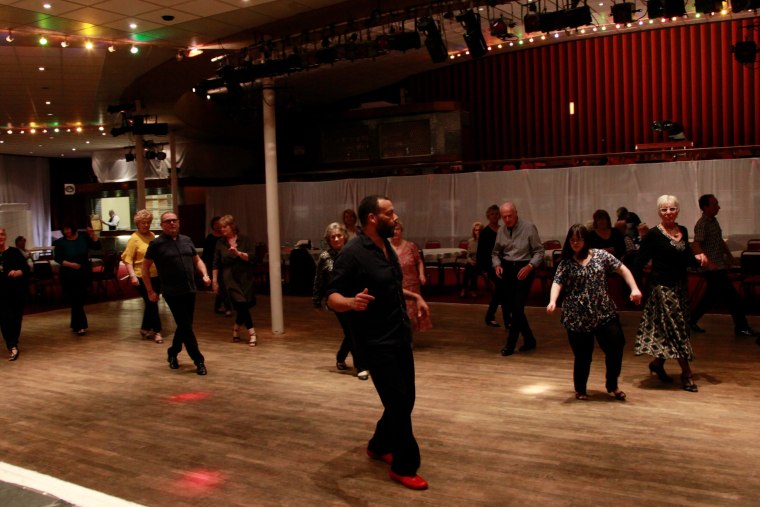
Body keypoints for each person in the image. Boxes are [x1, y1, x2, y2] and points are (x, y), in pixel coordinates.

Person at [326, 195, 430, 491]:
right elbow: (331, 296)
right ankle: (404, 465)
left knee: (405, 399)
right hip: (374, 341)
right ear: (372, 218)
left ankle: (378, 444)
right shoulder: (352, 252)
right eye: (390, 213)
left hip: (399, 334)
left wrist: (415, 296)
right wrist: (350, 302)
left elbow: (391, 286)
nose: (395, 217)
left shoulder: (385, 247)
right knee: (398, 403)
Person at [547, 224, 642, 400]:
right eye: (572, 240)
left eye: (579, 240)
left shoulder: (600, 255)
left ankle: (612, 384)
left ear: (586, 240)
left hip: (603, 312)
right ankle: (581, 389)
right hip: (577, 316)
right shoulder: (566, 262)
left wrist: (634, 288)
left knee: (616, 345)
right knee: (583, 355)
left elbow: (622, 269)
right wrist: (553, 301)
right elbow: (557, 282)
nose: (575, 243)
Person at [634, 195, 707, 392]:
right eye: (664, 209)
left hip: (680, 287)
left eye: (672, 209)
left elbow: (686, 259)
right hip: (661, 288)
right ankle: (687, 373)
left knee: (672, 329)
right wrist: (635, 287)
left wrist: (698, 258)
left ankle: (657, 364)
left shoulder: (682, 230)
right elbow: (638, 262)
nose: (668, 213)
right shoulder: (653, 235)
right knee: (677, 329)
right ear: (659, 212)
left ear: (677, 210)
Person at [143, 212, 211, 375]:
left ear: (179, 223)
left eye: (175, 220)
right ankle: (199, 361)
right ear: (162, 225)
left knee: (184, 325)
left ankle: (172, 353)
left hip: (190, 289)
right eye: (168, 221)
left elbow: (197, 260)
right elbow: (145, 268)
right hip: (172, 292)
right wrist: (150, 291)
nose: (172, 223)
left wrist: (205, 274)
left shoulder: (186, 240)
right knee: (186, 326)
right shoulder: (156, 244)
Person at [690, 194, 757, 337]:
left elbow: (719, 241)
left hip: (718, 266)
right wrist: (709, 263)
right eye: (714, 204)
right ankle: (741, 327)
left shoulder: (713, 221)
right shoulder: (702, 224)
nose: (718, 207)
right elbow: (696, 245)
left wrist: (730, 257)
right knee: (733, 298)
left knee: (710, 297)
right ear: (705, 207)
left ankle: (690, 321)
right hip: (712, 269)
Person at [312, 222, 368, 380]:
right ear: (328, 240)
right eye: (332, 237)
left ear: (345, 236)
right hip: (336, 299)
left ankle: (341, 357)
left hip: (354, 296)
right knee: (353, 331)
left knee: (353, 331)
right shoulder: (325, 256)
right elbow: (318, 280)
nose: (336, 239)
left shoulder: (353, 253)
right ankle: (361, 366)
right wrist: (316, 301)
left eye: (339, 235)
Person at [493, 202, 545, 356]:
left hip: (524, 268)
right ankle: (529, 339)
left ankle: (510, 344)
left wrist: (530, 267)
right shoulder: (501, 230)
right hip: (508, 269)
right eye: (504, 217)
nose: (507, 219)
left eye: (510, 216)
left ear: (516, 213)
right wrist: (497, 265)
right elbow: (495, 253)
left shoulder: (529, 227)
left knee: (517, 308)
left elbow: (539, 251)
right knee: (511, 308)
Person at [212, 214, 259, 346]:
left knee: (244, 305)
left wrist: (238, 253)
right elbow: (216, 263)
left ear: (232, 226)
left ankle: (236, 329)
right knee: (241, 302)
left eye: (224, 227)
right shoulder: (220, 242)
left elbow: (252, 257)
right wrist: (214, 281)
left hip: (245, 276)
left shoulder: (245, 240)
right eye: (220, 228)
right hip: (229, 277)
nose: (222, 230)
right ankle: (252, 333)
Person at [121, 209, 163, 344]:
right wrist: (132, 276)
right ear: (138, 224)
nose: (145, 225)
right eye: (143, 223)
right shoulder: (134, 238)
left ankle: (145, 328)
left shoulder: (152, 236)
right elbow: (127, 259)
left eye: (148, 223)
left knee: (151, 302)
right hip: (141, 276)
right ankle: (157, 331)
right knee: (152, 301)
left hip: (156, 275)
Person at [53, 222, 101, 336]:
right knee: (76, 299)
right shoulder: (60, 242)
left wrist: (93, 234)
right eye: (64, 230)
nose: (67, 232)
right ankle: (81, 326)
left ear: (73, 228)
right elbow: (57, 258)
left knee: (79, 299)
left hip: (83, 272)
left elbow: (97, 246)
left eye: (68, 229)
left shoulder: (83, 237)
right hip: (68, 274)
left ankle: (76, 325)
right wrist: (71, 264)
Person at [391, 221, 432, 332]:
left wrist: (421, 274)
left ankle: (408, 339)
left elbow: (419, 261)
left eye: (397, 229)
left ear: (402, 231)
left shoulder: (410, 246)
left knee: (411, 314)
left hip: (411, 284)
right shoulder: (386, 247)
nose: (395, 232)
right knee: (397, 313)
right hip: (395, 284)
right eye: (393, 229)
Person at [0, 228, 30, 361]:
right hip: (1, 293)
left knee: (16, 318)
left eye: (1, 234)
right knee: (4, 319)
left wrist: (18, 272)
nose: (0, 237)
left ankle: (13, 342)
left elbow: (25, 269)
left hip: (15, 291)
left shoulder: (13, 252)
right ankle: (12, 345)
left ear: (5, 236)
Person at [476, 204, 506, 328]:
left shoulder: (503, 230)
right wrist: (483, 269)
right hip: (490, 265)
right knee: (500, 290)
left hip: (503, 264)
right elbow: (481, 251)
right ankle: (494, 316)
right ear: (488, 216)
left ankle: (494, 317)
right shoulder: (485, 232)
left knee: (502, 291)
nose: (494, 216)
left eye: (496, 214)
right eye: (492, 214)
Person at [202, 216, 231, 316]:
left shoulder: (225, 238)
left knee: (224, 286)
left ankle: (218, 306)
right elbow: (206, 254)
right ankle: (227, 307)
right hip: (213, 265)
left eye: (219, 224)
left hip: (225, 264)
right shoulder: (210, 238)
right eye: (215, 224)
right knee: (221, 286)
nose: (218, 226)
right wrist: (205, 269)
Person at [460, 221, 482, 299]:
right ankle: (469, 289)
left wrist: (477, 262)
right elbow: (468, 255)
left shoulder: (485, 241)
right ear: (473, 231)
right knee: (469, 267)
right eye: (476, 230)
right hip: (471, 262)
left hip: (481, 263)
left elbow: (486, 255)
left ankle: (465, 289)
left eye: (479, 230)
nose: (478, 232)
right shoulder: (470, 241)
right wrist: (470, 261)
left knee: (471, 268)